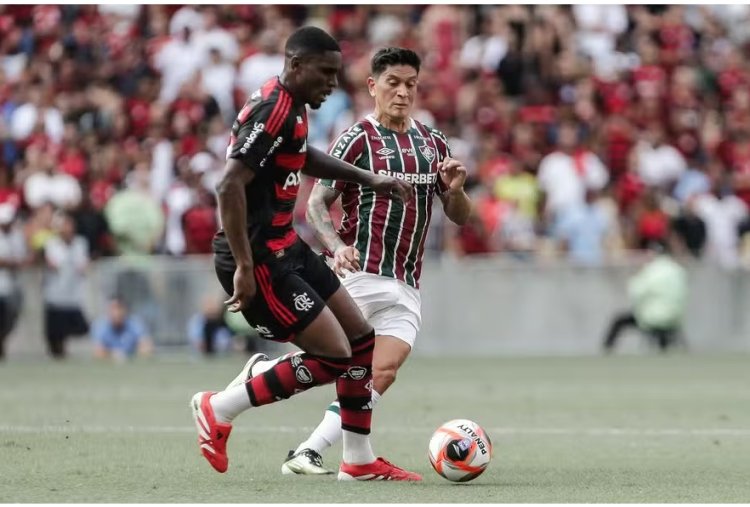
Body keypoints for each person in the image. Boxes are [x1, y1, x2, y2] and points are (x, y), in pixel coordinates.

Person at [226, 47, 472, 475]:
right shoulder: (358, 138)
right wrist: (336, 244)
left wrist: (454, 191)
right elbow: (318, 203)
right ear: (373, 86)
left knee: (383, 371)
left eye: (410, 84)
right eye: (393, 83)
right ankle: (281, 398)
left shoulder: (432, 143)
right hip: (358, 274)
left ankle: (317, 451)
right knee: (338, 360)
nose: (402, 92)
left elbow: (459, 216)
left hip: (407, 282)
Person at [190, 27, 419, 481]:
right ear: (296, 66)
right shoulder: (272, 108)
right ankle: (219, 407)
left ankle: (357, 460)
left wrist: (368, 179)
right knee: (336, 356)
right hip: (260, 260)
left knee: (360, 341)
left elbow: (300, 155)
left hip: (286, 246)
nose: (332, 83)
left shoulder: (291, 105)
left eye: (336, 74)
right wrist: (244, 266)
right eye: (325, 73)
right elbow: (228, 185)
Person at [603, 242, 688, 352]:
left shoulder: (651, 270)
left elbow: (635, 291)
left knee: (619, 320)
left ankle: (607, 349)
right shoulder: (678, 270)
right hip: (675, 317)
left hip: (651, 317)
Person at [91, 297, 153, 361]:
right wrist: (114, 355)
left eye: (119, 308)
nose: (117, 313)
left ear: (125, 310)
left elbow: (147, 348)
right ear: (108, 310)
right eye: (113, 308)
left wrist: (129, 356)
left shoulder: (135, 323)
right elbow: (98, 352)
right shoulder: (100, 325)